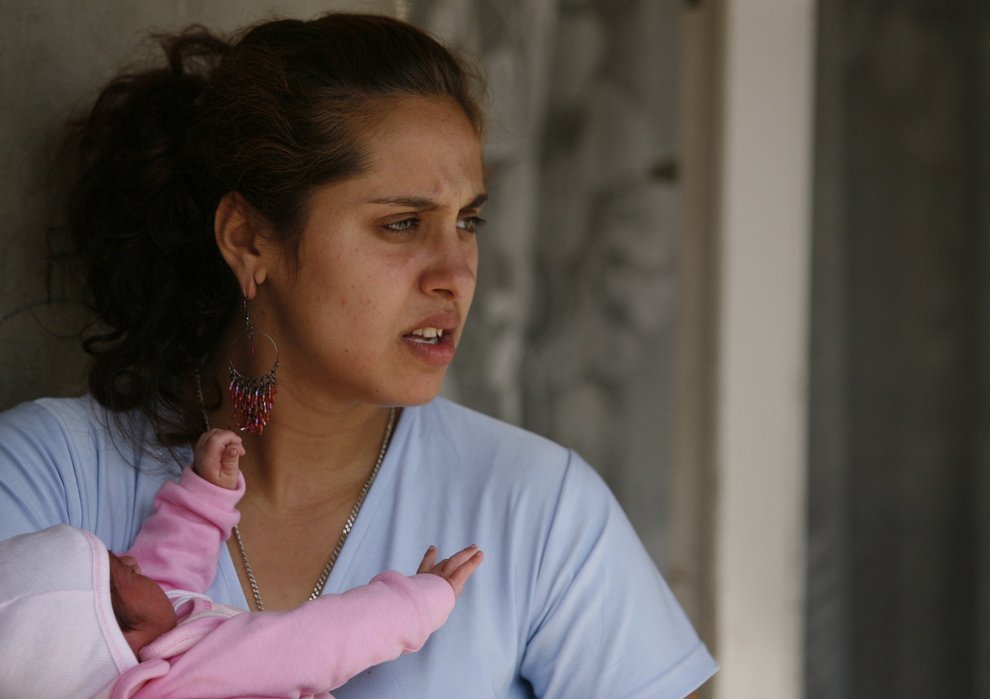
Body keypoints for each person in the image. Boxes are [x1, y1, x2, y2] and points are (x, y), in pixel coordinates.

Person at [0, 11, 718, 697]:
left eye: (468, 222)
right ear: (248, 239)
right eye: (402, 223)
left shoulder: (538, 509)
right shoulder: (47, 477)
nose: (457, 273)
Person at [0, 428, 482, 697]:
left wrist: (203, 498)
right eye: (120, 571)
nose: (132, 560)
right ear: (112, 635)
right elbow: (314, 641)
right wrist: (413, 603)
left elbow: (168, 577)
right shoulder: (191, 680)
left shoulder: (151, 655)